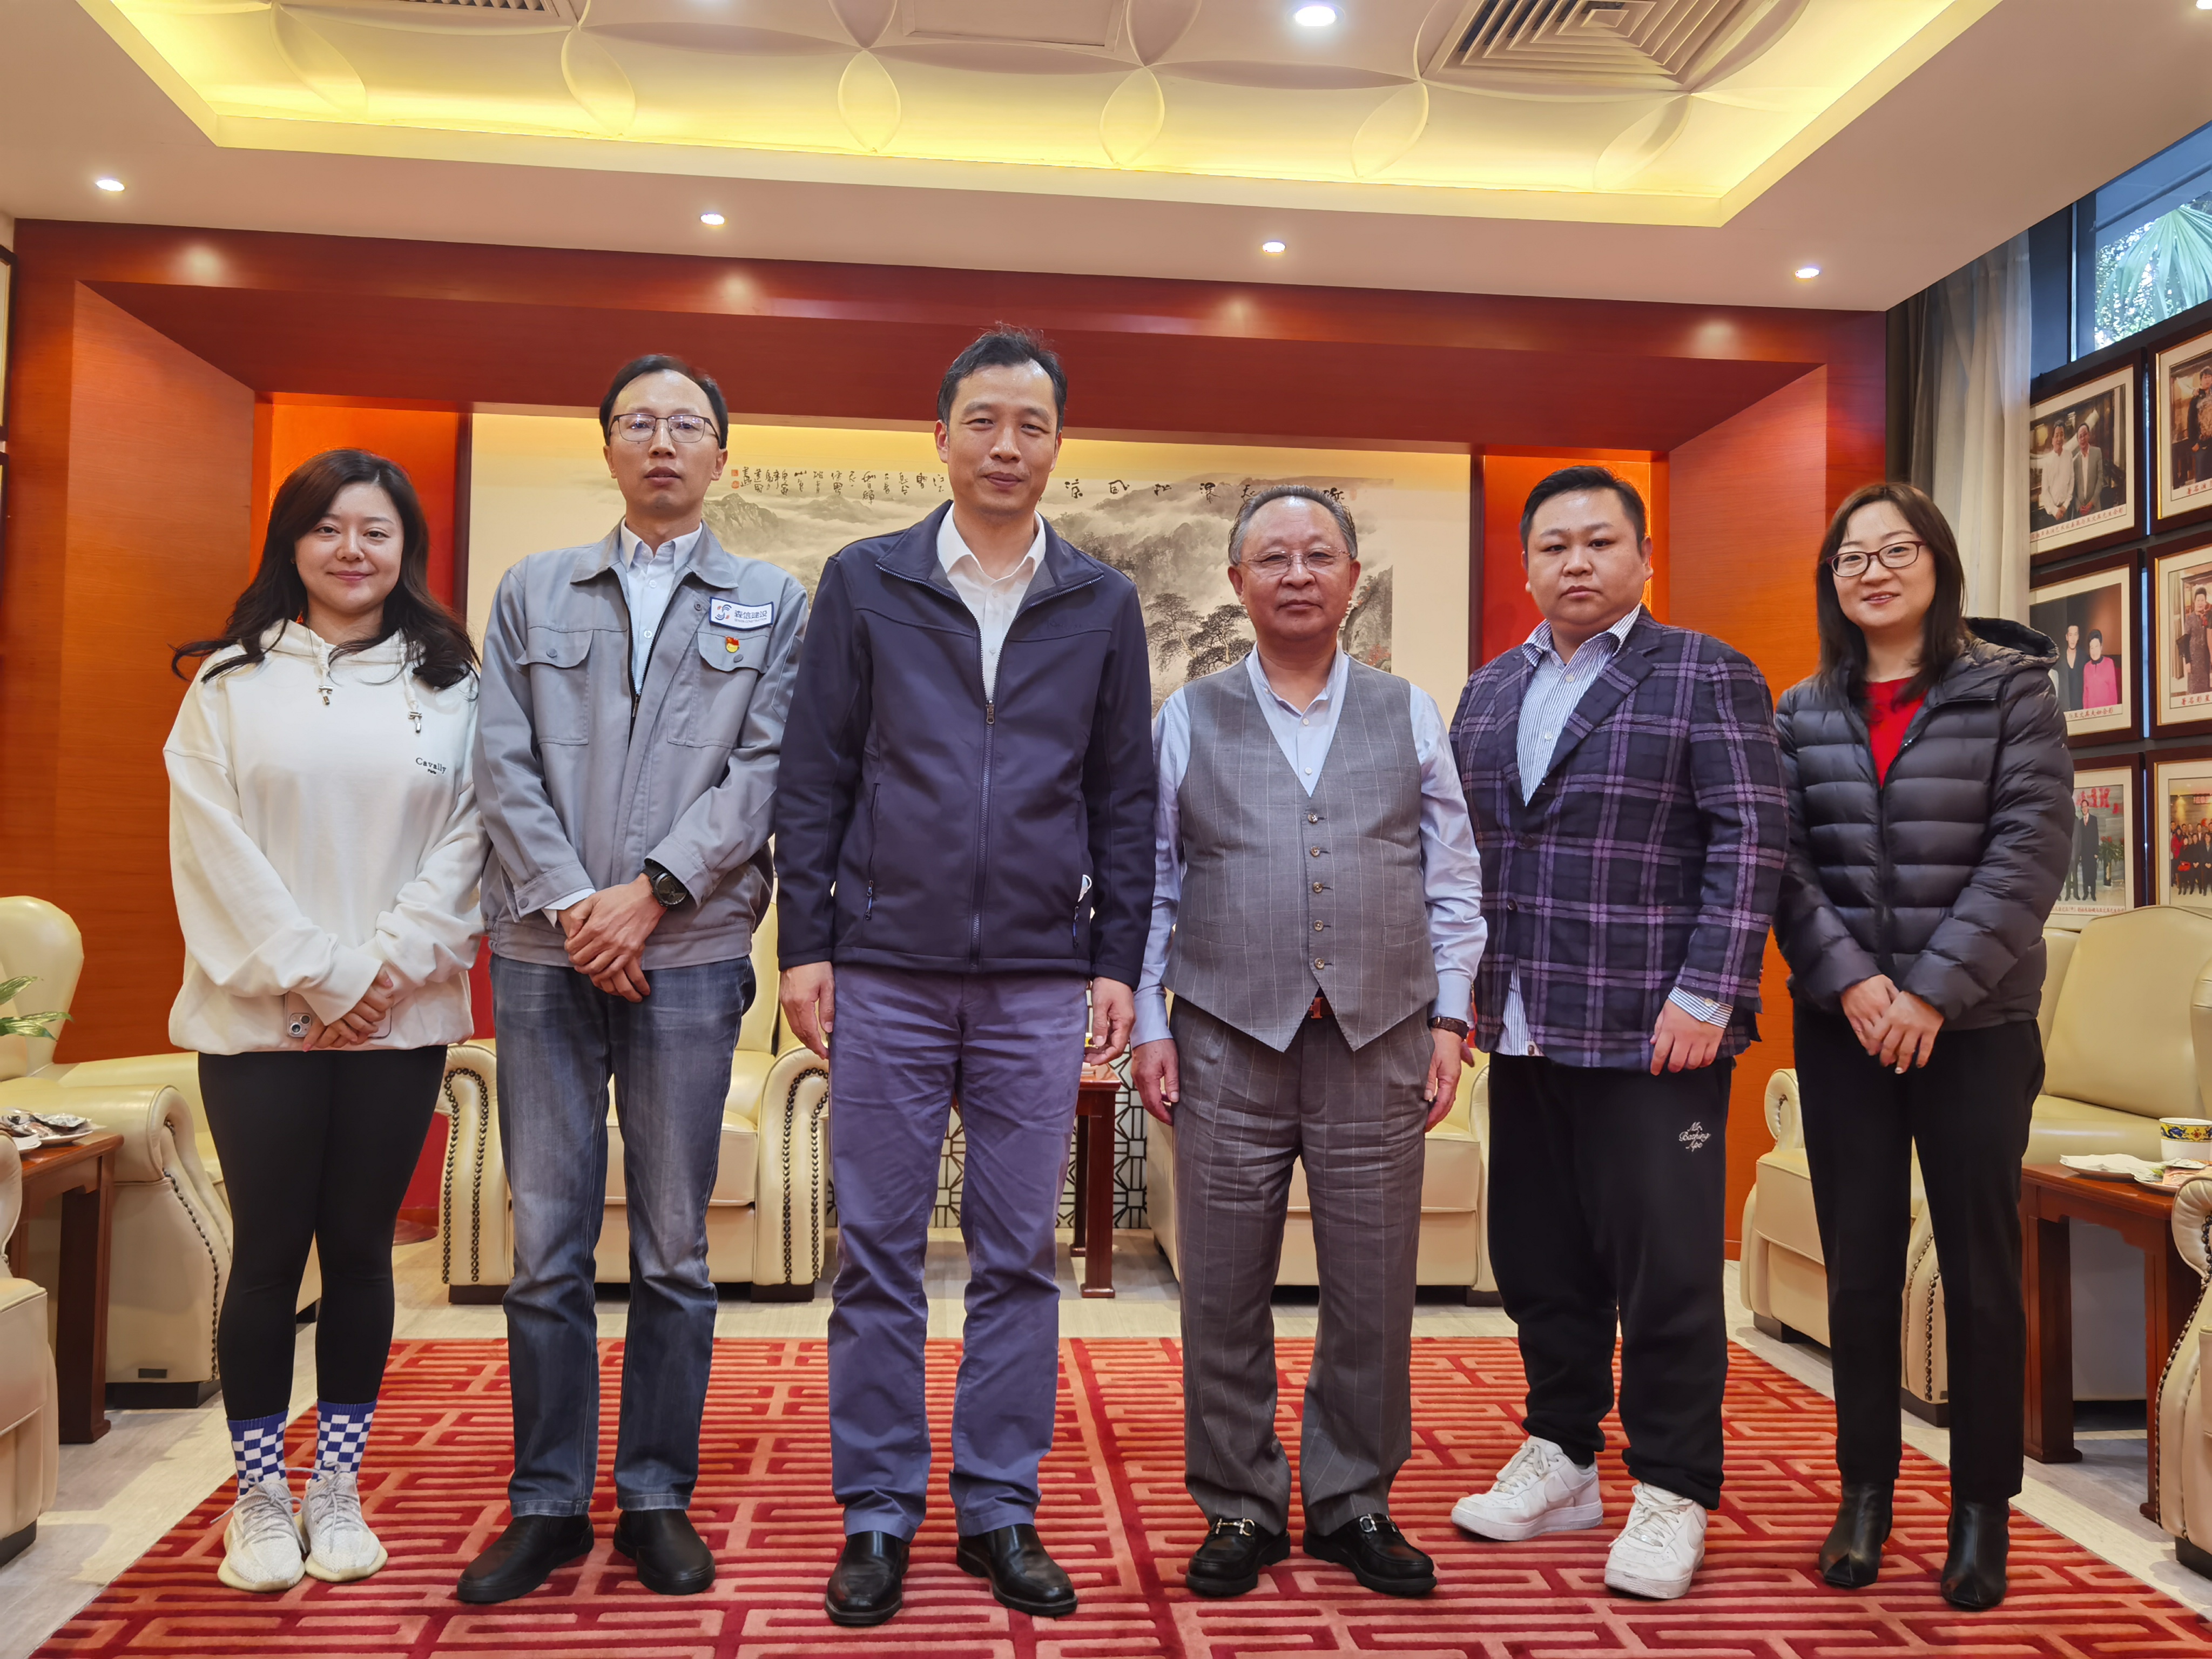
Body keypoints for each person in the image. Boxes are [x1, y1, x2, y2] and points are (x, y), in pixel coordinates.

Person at [774, 327, 1155, 1628]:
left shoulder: (1099, 601)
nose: (1006, 445)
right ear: (938, 436)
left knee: (1018, 1255)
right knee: (877, 1254)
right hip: (883, 969)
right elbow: (815, 774)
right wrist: (807, 944)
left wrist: (1115, 961)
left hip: (1039, 981)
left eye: (1030, 425)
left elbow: (1123, 797)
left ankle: (999, 1504)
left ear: (1057, 445)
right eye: (982, 421)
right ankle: (877, 1509)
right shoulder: (867, 581)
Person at [460, 354, 808, 1604]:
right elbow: (500, 759)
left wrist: (651, 892)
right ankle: (547, 1502)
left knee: (673, 1248)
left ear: (721, 455)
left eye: (687, 425)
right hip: (544, 951)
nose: (663, 442)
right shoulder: (532, 589)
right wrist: (576, 904)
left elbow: (768, 770)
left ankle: (657, 1492)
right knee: (545, 1246)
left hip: (694, 951)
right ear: (607, 446)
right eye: (639, 423)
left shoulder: (774, 599)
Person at [1128, 487, 1486, 1602]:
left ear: (1350, 577)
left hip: (1380, 1038)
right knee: (1220, 1290)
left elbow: (1453, 880)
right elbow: (1151, 883)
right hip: (1225, 1038)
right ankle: (1238, 1501)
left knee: (1373, 1289)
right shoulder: (1187, 717)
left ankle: (1352, 1500)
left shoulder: (1408, 710)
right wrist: (1150, 1021)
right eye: (1272, 558)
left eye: (1317, 555)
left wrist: (1449, 1017)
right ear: (1236, 583)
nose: (1296, 574)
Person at [1445, 466, 1786, 1602]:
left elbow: (1750, 837)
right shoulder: (1489, 690)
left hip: (1655, 1026)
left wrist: (1709, 991)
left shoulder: (1703, 671)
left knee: (1667, 1271)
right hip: (1522, 1018)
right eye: (1554, 546)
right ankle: (1564, 1456)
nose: (1576, 562)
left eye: (1599, 541)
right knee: (1537, 1256)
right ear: (1528, 565)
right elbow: (1464, 855)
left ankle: (1673, 1486)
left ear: (1643, 555)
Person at [167, 449, 485, 1594]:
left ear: (407, 551)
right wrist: (321, 978)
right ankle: (259, 1497)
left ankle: (336, 1485)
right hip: (260, 1020)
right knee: (267, 1251)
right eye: (328, 529)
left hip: (401, 1018)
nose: (353, 550)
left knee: (359, 1250)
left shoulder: (455, 686)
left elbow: (471, 840)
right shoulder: (228, 685)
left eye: (376, 532)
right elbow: (213, 852)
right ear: (291, 544)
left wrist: (379, 976)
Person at [1772, 482, 2069, 1611]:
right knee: (1857, 1267)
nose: (1874, 572)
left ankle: (1981, 1506)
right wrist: (1854, 984)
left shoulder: (2010, 691)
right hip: (1843, 1025)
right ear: (1830, 582)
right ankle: (1863, 1493)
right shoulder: (1800, 710)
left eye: (1895, 550)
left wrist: (1931, 994)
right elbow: (1784, 863)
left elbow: (2028, 850)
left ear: (1937, 562)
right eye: (1851, 558)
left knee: (1979, 1272)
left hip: (1975, 1027)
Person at [2180, 587, 2212, 697]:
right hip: (2194, 661)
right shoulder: (2190, 619)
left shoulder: (2208, 617)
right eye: (2198, 600)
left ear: (2205, 602)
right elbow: (2185, 642)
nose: (2200, 603)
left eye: (2203, 600)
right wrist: (2188, 662)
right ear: (2194, 602)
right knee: (2194, 690)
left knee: (2206, 690)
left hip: (2205, 659)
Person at [2080, 628, 2119, 711]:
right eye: (2092, 648)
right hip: (2091, 714)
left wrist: (2113, 713)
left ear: (2101, 647)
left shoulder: (2109, 663)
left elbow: (2113, 692)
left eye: (2097, 647)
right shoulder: (2086, 667)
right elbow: (2086, 693)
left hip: (2106, 713)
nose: (2094, 651)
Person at [2076, 801, 2102, 904]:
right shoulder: (2080, 822)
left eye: (2085, 806)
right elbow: (2080, 840)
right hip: (2084, 854)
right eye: (2082, 807)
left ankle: (2093, 894)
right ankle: (2086, 893)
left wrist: (2096, 852)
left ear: (2088, 807)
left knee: (2092, 873)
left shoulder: (2094, 819)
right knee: (2085, 874)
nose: (2084, 809)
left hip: (2092, 853)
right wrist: (2080, 854)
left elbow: (2096, 836)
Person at [2055, 622, 2083, 712]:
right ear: (2067, 637)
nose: (2073, 639)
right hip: (2064, 708)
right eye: (2071, 635)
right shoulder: (2059, 659)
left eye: (2075, 635)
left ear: (2078, 637)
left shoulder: (2084, 658)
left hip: (2080, 708)